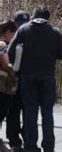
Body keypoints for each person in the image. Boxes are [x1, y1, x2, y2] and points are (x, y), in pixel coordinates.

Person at [7, 7, 62, 152]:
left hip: (28, 77)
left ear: (33, 16)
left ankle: (30, 146)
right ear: (48, 18)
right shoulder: (54, 32)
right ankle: (48, 146)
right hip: (48, 77)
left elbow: (10, 52)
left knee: (30, 112)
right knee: (47, 113)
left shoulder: (23, 30)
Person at [6, 11, 30, 152]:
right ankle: (15, 142)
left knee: (28, 111)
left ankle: (26, 137)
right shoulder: (9, 40)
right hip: (13, 80)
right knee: (14, 112)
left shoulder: (31, 38)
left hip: (27, 79)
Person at [0, 21, 18, 151]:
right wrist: (14, 74)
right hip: (2, 87)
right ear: (7, 33)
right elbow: (6, 65)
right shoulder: (2, 46)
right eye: (13, 34)